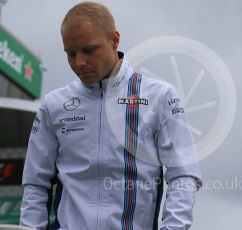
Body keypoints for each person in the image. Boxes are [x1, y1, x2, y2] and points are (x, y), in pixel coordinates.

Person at [20, 2, 202, 230]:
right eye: (70, 53)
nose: (79, 63)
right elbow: (35, 183)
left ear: (114, 40)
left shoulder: (159, 96)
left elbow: (183, 175)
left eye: (88, 50)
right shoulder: (54, 104)